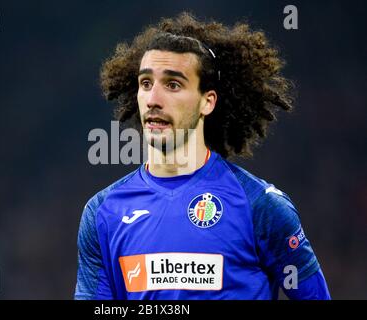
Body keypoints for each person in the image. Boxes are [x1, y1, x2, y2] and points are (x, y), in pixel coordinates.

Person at [74, 12, 330, 300]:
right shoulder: (103, 213)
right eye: (146, 83)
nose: (153, 99)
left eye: (173, 85)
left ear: (207, 102)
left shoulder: (260, 206)